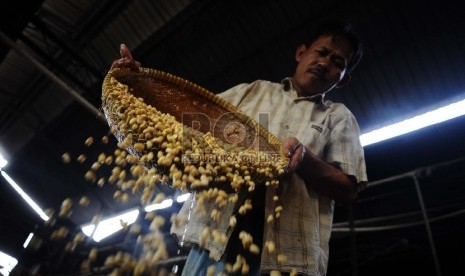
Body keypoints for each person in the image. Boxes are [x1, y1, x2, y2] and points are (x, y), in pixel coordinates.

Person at [111, 19, 367, 276]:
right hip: (217, 233)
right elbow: (187, 121)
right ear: (301, 53)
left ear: (343, 79)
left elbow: (348, 189)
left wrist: (306, 161)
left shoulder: (338, 117)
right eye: (321, 52)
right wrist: (136, 84)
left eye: (338, 63)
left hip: (287, 255)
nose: (324, 64)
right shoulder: (254, 91)